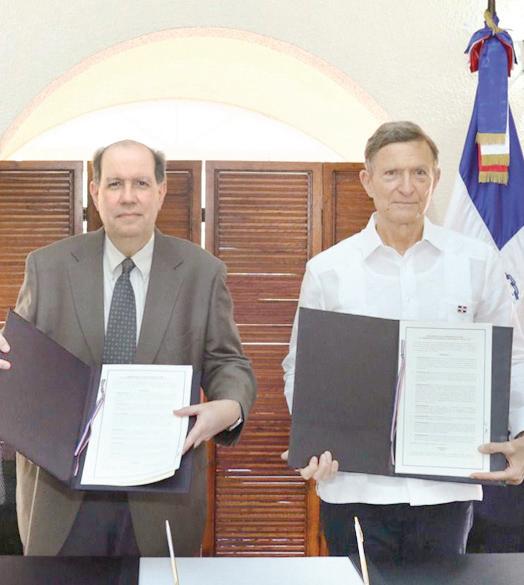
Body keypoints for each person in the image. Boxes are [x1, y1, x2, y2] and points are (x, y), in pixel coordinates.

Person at [0, 139, 256, 556]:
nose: (128, 196)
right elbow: (20, 358)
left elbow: (228, 362)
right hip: (64, 498)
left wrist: (230, 406)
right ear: (95, 191)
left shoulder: (202, 272)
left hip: (162, 495)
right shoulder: (47, 267)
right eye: (115, 183)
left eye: (141, 183)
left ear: (161, 191)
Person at [282, 121, 524, 561]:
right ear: (367, 181)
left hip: (445, 488)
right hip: (353, 485)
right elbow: (302, 368)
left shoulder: (476, 262)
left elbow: (511, 358)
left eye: (419, 173)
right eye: (392, 173)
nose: (406, 187)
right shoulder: (329, 270)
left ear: (435, 179)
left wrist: (522, 432)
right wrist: (314, 438)